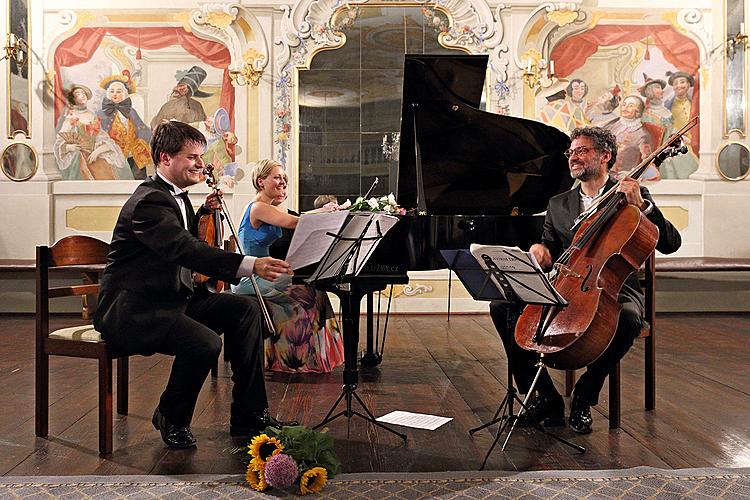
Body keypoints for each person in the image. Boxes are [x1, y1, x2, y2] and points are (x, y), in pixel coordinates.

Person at [94, 121, 296, 449]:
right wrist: (249, 265)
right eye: (192, 157)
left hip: (171, 298)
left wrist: (203, 210)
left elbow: (183, 235)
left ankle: (250, 413)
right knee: (204, 342)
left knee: (245, 309)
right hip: (136, 309)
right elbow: (183, 248)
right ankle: (171, 415)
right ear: (164, 158)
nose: (200, 164)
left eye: (201, 157)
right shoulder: (149, 201)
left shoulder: (176, 197)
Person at [489, 126, 681, 434]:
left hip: (616, 286)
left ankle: (584, 395)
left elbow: (671, 243)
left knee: (629, 320)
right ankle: (545, 398)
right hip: (568, 282)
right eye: (571, 152)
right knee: (502, 306)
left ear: (605, 156)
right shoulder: (558, 204)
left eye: (581, 151)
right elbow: (550, 247)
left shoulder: (631, 194)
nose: (573, 158)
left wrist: (644, 207)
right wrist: (542, 251)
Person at [232, 159, 345, 373]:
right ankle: (291, 359)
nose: (282, 181)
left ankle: (313, 357)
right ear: (260, 181)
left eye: (284, 178)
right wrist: (326, 212)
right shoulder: (258, 207)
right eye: (276, 177)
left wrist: (325, 211)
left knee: (316, 292)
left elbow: (296, 218)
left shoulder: (269, 207)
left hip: (265, 272)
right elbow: (295, 222)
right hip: (252, 276)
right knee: (306, 297)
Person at [53, 84, 133, 180]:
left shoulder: (92, 115)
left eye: (83, 93)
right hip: (80, 155)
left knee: (108, 164)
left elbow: (103, 137)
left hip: (94, 152)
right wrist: (70, 147)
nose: (82, 95)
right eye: (78, 94)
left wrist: (98, 151)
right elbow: (59, 142)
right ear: (73, 99)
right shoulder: (71, 117)